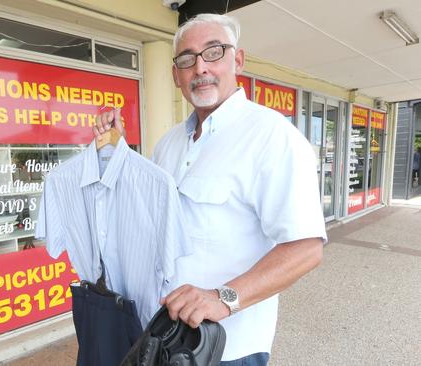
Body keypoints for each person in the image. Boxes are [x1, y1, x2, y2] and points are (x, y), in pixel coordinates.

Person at [93, 13, 326, 365]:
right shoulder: (169, 143)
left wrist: (223, 297)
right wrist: (118, 152)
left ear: (238, 60)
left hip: (229, 348)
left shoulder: (273, 136)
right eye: (187, 59)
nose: (200, 67)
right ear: (176, 76)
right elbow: (147, 214)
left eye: (213, 52)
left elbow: (306, 249)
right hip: (164, 337)